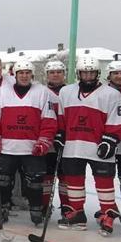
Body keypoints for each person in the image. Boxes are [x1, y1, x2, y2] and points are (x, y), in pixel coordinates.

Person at [0, 59, 57, 226]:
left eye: (27, 73)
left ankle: (36, 209)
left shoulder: (42, 92)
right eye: (21, 73)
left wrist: (44, 141)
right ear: (15, 75)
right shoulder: (3, 91)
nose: (24, 76)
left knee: (35, 182)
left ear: (31, 74)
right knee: (3, 180)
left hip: (32, 149)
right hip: (8, 148)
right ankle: (2, 208)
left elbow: (49, 120)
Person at [56, 56, 121, 234]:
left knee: (104, 182)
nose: (88, 76)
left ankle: (107, 214)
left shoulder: (111, 94)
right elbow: (61, 117)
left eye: (91, 72)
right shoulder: (66, 92)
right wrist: (60, 133)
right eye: (85, 72)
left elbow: (116, 121)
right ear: (79, 73)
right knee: (74, 181)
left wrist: (110, 140)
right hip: (73, 146)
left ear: (97, 73)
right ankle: (77, 213)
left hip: (98, 146)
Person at [42, 60, 69, 211]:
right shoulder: (42, 92)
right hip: (48, 141)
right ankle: (45, 205)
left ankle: (67, 206)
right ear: (47, 75)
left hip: (67, 142)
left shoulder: (71, 91)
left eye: (59, 72)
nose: (56, 75)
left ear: (64, 74)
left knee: (65, 176)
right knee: (47, 176)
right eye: (52, 72)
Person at [105, 59, 121, 217]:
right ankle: (106, 207)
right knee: (105, 177)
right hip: (107, 142)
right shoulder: (102, 92)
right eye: (116, 73)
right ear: (109, 75)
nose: (120, 76)